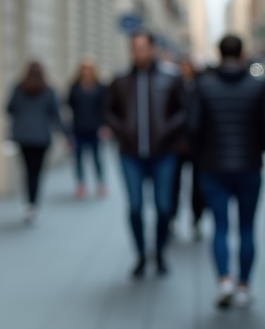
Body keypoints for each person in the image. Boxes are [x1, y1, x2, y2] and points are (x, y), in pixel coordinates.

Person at [189, 35, 265, 309]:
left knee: (219, 227)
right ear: (242, 54)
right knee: (247, 228)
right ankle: (244, 286)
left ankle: (224, 281)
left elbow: (194, 127)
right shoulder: (257, 86)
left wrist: (202, 155)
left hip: (213, 167)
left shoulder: (204, 86)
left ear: (220, 54)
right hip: (248, 167)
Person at [104, 31, 186, 277]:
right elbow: (107, 110)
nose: (138, 52)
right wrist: (121, 130)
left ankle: (159, 251)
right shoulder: (120, 80)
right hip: (130, 155)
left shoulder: (171, 78)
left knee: (163, 207)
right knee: (136, 207)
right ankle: (140, 254)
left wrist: (168, 131)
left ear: (152, 49)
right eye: (134, 48)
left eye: (143, 48)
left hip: (164, 154)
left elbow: (184, 109)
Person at [7, 62, 63, 223]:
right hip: (41, 137)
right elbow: (55, 115)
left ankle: (28, 205)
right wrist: (65, 134)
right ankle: (33, 205)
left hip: (23, 136)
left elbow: (9, 108)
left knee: (27, 172)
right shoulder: (49, 90)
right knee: (37, 173)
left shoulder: (18, 88)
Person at [172, 56, 206, 238]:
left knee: (198, 185)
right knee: (173, 184)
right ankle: (172, 218)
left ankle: (197, 218)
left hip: (196, 145)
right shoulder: (173, 85)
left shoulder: (201, 85)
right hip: (176, 144)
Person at [67, 56, 107, 199]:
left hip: (95, 128)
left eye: (89, 69)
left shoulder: (100, 87)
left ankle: (100, 183)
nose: (86, 72)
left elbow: (105, 108)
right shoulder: (75, 87)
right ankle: (81, 184)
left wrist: (104, 125)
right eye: (84, 69)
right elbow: (69, 105)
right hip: (78, 127)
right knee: (78, 158)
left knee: (97, 157)